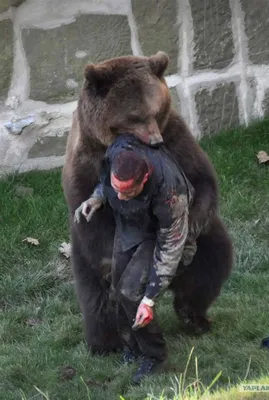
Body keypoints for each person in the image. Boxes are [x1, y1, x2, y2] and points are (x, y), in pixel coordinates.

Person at [74, 133, 195, 384]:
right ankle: (132, 347)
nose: (119, 197)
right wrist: (97, 197)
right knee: (118, 288)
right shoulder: (117, 153)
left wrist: (150, 299)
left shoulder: (171, 193)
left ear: (145, 179)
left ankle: (155, 355)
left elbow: (171, 248)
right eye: (116, 189)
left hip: (160, 235)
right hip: (130, 225)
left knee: (133, 292)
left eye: (126, 192)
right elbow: (105, 182)